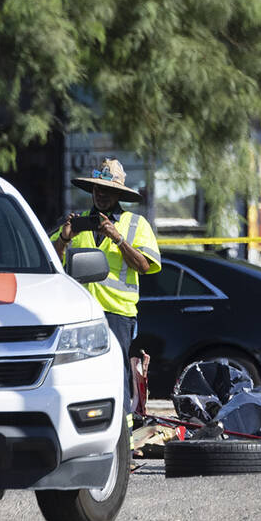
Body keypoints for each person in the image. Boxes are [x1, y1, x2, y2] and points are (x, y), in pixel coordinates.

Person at [53, 157, 162, 414]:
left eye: (107, 190)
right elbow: (51, 264)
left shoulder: (136, 225)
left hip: (117, 315)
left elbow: (144, 266)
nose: (101, 194)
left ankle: (123, 434)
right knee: (77, 374)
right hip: (78, 313)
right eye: (97, 189)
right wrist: (64, 239)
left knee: (116, 374)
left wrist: (119, 239)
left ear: (118, 194)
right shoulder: (76, 224)